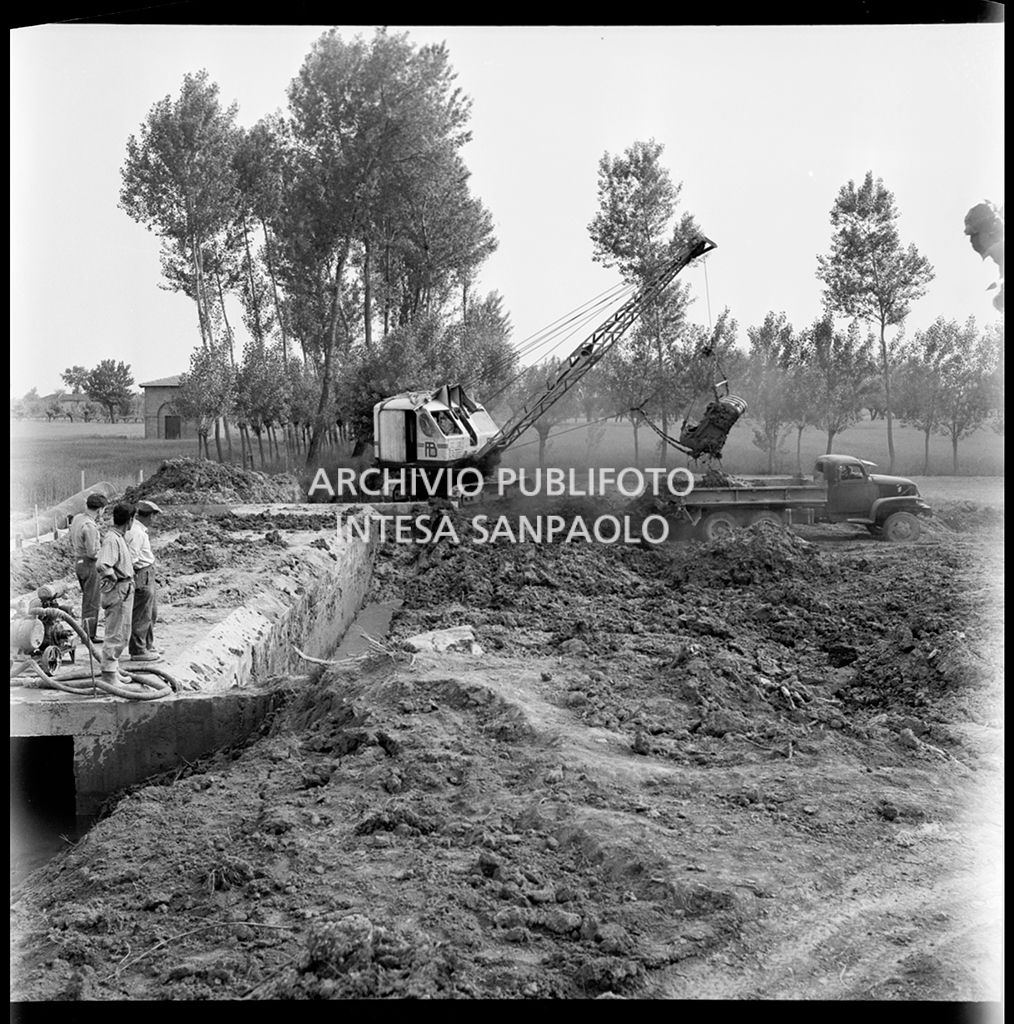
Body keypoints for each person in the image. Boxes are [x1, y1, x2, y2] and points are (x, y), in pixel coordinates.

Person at [95, 503, 137, 684]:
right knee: (116, 633)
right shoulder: (112, 539)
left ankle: (113, 669)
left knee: (122, 631)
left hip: (124, 588)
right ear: (129, 521)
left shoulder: (118, 537)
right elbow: (103, 564)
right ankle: (109, 675)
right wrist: (113, 577)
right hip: (119, 589)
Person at [126, 499, 163, 662]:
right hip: (142, 574)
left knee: (150, 612)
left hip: (147, 572)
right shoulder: (136, 533)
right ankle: (138, 650)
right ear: (146, 516)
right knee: (142, 613)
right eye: (153, 516)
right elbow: (132, 559)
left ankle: (147, 645)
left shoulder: (139, 530)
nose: (155, 520)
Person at [69, 492, 108, 643]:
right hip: (89, 564)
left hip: (79, 562)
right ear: (100, 510)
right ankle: (89, 635)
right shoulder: (90, 526)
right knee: (92, 601)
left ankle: (86, 632)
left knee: (87, 599)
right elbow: (93, 552)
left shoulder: (78, 518)